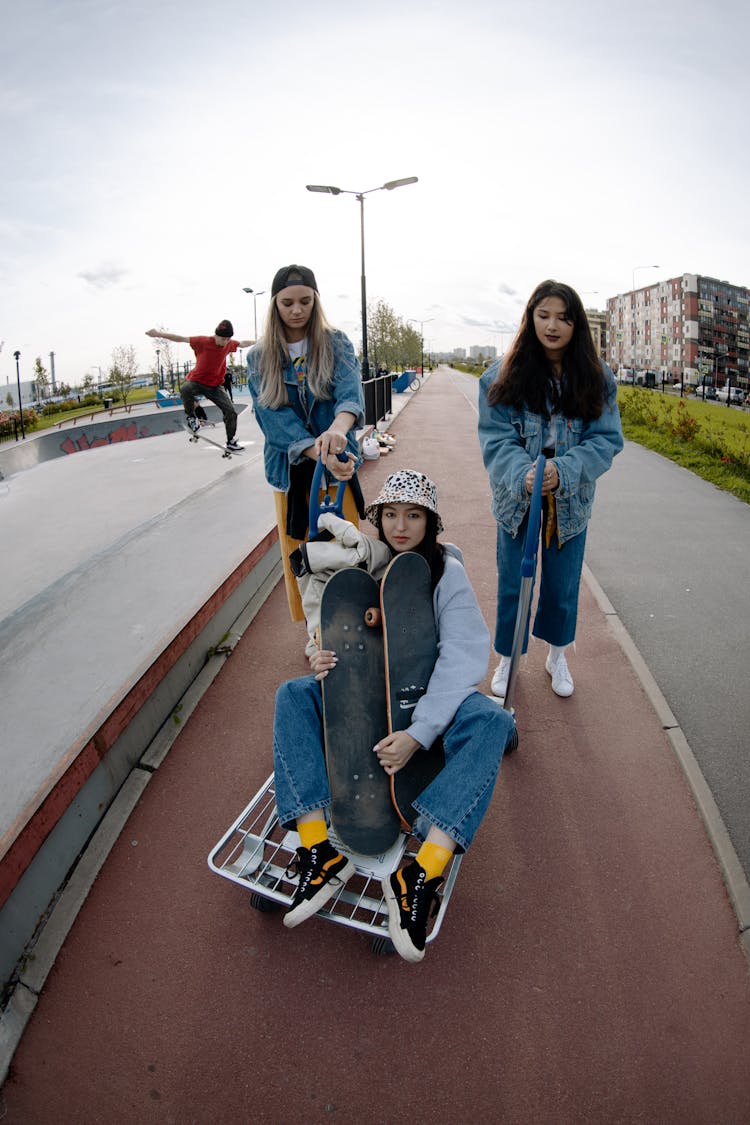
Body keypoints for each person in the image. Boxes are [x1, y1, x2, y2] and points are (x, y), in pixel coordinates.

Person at [272, 470, 515, 962]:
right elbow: (335, 640)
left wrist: (419, 732)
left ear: (430, 521)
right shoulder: (365, 569)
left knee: (493, 721)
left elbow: (464, 654)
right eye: (391, 515)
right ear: (378, 519)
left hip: (432, 703)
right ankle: (320, 849)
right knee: (293, 695)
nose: (401, 525)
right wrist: (320, 658)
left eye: (414, 515)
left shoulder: (445, 571)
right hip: (366, 701)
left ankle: (423, 868)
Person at [477, 279, 623, 701]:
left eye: (563, 317)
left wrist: (564, 469)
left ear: (577, 324)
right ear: (530, 319)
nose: (553, 325)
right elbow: (495, 439)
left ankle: (557, 655)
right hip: (517, 500)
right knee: (512, 582)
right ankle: (507, 656)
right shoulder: (501, 377)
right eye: (544, 315)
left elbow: (606, 440)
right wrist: (522, 473)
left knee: (562, 583)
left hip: (570, 503)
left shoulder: (596, 378)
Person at [246, 264, 365, 628]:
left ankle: (354, 620)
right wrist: (319, 452)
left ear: (315, 300)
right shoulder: (258, 357)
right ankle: (316, 629)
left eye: (305, 301)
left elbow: (350, 396)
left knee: (346, 544)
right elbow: (274, 421)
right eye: (287, 303)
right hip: (292, 469)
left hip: (337, 464)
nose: (297, 310)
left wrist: (338, 433)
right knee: (299, 550)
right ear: (274, 306)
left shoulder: (336, 342)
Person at [145, 321, 253, 452]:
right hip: (197, 382)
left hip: (215, 386)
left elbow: (243, 343)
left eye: (227, 339)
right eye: (222, 339)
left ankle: (230, 441)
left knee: (231, 412)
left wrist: (259, 341)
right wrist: (158, 334)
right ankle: (192, 417)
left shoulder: (229, 344)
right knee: (185, 389)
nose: (225, 342)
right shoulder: (203, 341)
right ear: (216, 335)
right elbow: (180, 339)